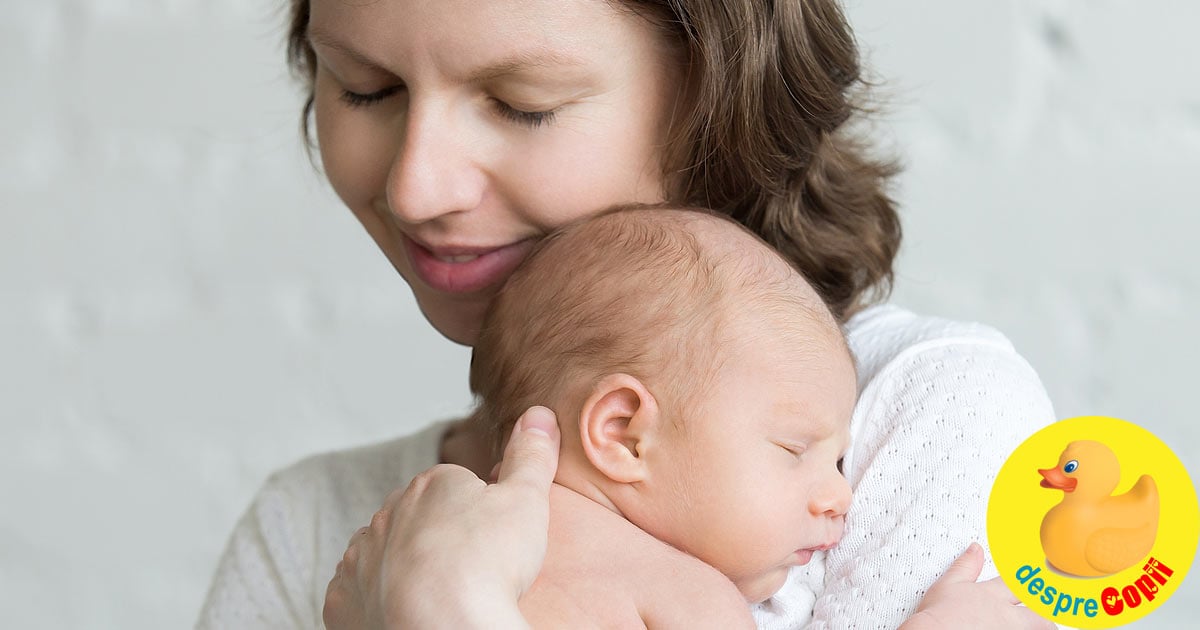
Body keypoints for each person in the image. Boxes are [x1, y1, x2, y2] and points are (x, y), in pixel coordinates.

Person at [197, 0, 1058, 628]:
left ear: (720, 97)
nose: (415, 188)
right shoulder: (307, 525)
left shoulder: (928, 419)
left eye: (523, 102)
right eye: (366, 88)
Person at [468, 206, 855, 626]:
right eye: (793, 449)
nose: (841, 496)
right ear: (625, 435)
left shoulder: (439, 537)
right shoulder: (692, 598)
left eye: (836, 462)